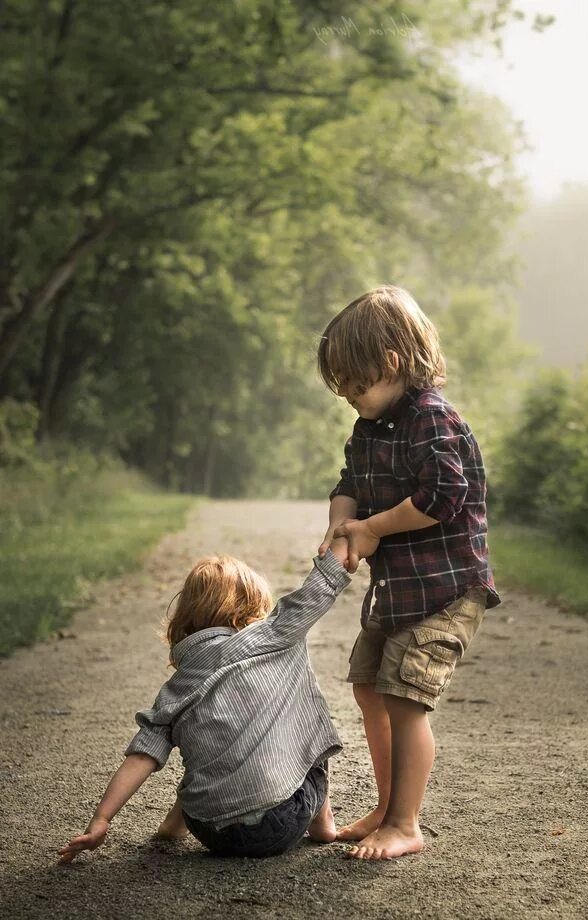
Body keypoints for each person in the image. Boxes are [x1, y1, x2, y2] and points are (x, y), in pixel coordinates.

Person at [317, 284, 501, 861]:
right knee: (369, 686)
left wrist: (373, 531)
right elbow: (349, 483)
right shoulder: (369, 428)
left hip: (445, 590)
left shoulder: (433, 420)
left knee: (404, 697)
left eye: (354, 383)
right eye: (340, 388)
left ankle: (405, 822)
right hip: (398, 590)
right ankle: (386, 804)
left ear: (391, 364)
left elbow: (445, 494)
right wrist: (341, 527)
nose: (348, 396)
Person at [58, 546, 350, 864]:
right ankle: (323, 825)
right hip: (276, 825)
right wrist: (339, 552)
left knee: (215, 747)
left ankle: (175, 824)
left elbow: (141, 755)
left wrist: (102, 819)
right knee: (307, 722)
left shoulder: (177, 685)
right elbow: (311, 597)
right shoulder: (268, 638)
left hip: (209, 829)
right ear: (249, 610)